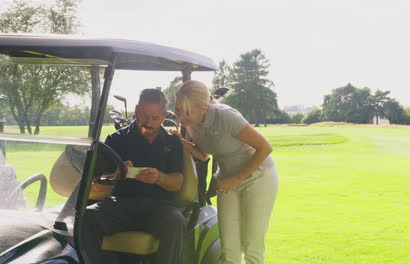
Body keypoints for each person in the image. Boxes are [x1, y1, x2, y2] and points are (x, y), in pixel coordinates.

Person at [172, 80, 279, 264]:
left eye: (187, 112)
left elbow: (265, 147)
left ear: (204, 108)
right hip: (227, 181)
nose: (181, 117)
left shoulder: (226, 116)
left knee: (251, 244)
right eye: (178, 110)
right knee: (229, 247)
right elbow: (204, 155)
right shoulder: (192, 122)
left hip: (258, 178)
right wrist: (182, 141)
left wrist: (236, 178)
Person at [81, 89, 185, 264]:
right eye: (144, 116)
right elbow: (98, 183)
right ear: (136, 110)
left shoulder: (172, 142)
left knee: (176, 221)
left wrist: (159, 177)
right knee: (86, 218)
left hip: (158, 207)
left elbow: (177, 183)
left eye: (155, 118)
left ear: (164, 116)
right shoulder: (116, 140)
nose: (148, 123)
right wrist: (116, 175)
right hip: (121, 204)